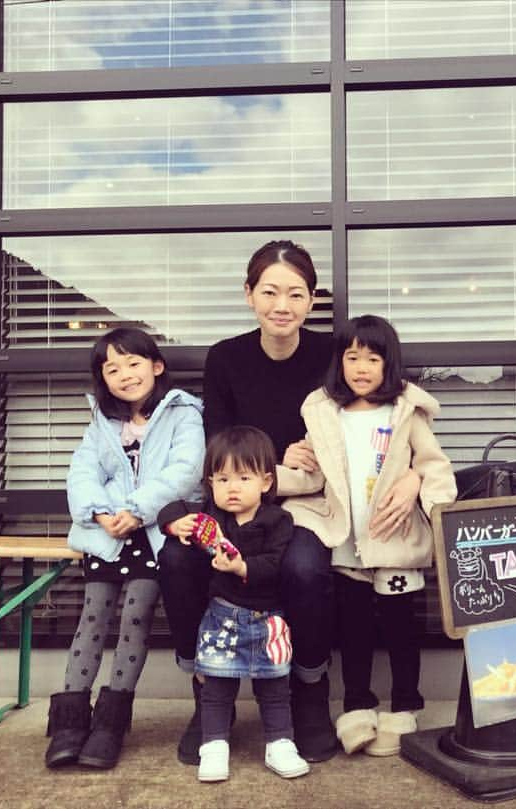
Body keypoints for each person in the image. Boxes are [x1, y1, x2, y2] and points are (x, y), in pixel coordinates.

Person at [158, 240, 421, 764]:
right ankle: (209, 692)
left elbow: (387, 415)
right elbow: (219, 442)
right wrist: (275, 465)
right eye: (270, 291)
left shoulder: (332, 355)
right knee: (177, 559)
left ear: (311, 299)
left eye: (296, 293)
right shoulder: (226, 357)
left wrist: (412, 473)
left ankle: (308, 694)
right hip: (234, 499)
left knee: (305, 568)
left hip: (306, 505)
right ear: (249, 294)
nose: (283, 304)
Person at [277, 315, 457, 757]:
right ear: (339, 362)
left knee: (399, 627)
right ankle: (357, 704)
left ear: (388, 365)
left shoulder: (405, 413)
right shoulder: (324, 413)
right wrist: (272, 477)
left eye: (372, 358)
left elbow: (434, 467)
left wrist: (439, 514)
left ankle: (405, 705)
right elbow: (309, 475)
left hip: (394, 541)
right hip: (347, 541)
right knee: (353, 627)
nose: (361, 368)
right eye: (352, 357)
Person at [45, 328, 204, 770]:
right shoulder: (102, 420)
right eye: (111, 368)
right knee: (92, 617)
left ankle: (110, 725)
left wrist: (137, 510)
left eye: (133, 363)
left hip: (154, 533)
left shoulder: (184, 413)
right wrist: (97, 513)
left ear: (156, 366)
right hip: (109, 533)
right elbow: (82, 470)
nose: (124, 375)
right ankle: (70, 722)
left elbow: (186, 470)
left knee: (135, 618)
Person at [158, 426, 310, 782]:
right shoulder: (212, 518)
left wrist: (242, 566)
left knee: (274, 689)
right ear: (210, 483)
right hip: (221, 618)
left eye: (244, 477)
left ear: (266, 482)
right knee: (216, 689)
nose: (233, 487)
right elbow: (174, 509)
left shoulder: (278, 521)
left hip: (268, 619)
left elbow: (276, 564)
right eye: (222, 479)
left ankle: (280, 744)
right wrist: (173, 524)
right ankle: (214, 746)